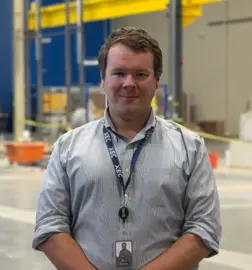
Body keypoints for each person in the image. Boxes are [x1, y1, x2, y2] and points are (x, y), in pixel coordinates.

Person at [32, 27, 221, 270]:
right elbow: (50, 225)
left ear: (156, 81)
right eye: (119, 73)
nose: (129, 83)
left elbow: (204, 228)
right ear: (103, 79)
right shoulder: (68, 148)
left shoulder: (190, 148)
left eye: (140, 74)